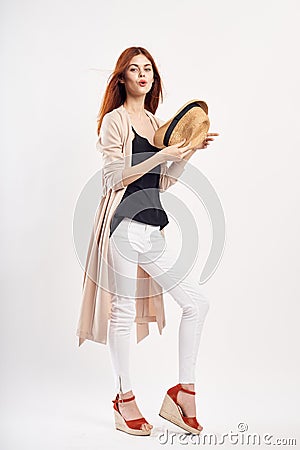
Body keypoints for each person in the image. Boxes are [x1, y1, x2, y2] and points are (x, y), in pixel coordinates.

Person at [95, 46, 218, 436]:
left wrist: (187, 153)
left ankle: (183, 393)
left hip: (152, 228)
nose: (142, 74)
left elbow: (164, 181)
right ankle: (124, 397)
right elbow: (117, 177)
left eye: (148, 68)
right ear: (123, 78)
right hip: (123, 226)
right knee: (122, 312)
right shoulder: (114, 122)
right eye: (134, 69)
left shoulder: (155, 122)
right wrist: (162, 153)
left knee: (196, 302)